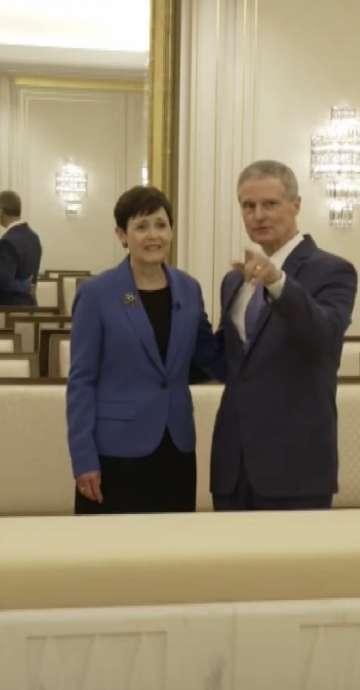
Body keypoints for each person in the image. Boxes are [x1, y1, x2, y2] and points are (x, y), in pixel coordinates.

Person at [210, 160, 357, 511]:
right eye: (248, 206)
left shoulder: (333, 270)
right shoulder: (235, 280)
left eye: (270, 204)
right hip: (234, 464)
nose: (258, 215)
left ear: (296, 205)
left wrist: (278, 284)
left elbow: (325, 336)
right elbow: (225, 361)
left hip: (296, 465)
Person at [66, 186, 218, 514]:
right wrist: (83, 459)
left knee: (171, 554)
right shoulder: (97, 293)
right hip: (115, 450)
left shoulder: (188, 289)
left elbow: (208, 357)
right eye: (141, 226)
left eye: (161, 225)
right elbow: (81, 382)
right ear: (122, 235)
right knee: (111, 556)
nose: (153, 236)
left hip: (176, 446)